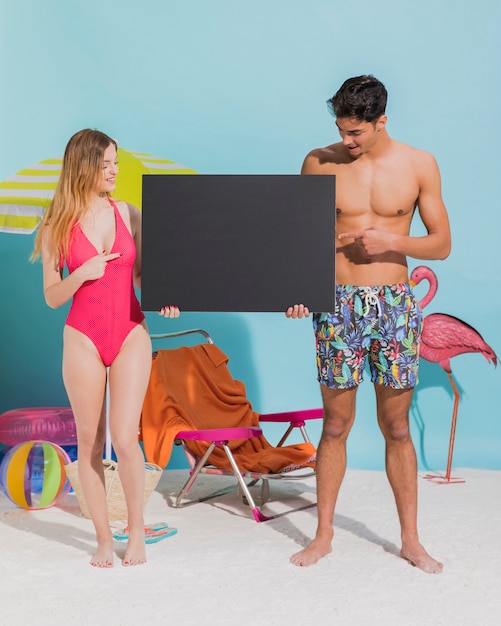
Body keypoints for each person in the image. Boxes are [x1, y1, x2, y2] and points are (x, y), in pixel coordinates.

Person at [286, 75, 451, 573]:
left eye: (357, 132)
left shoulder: (419, 164)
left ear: (382, 121)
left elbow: (440, 243)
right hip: (336, 304)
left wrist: (392, 243)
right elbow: (294, 242)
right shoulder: (318, 163)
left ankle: (411, 541)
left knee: (396, 426)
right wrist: (296, 292)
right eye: (342, 130)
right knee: (335, 424)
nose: (347, 141)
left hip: (395, 307)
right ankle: (323, 535)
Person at [32, 129, 179, 568]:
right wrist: (84, 272)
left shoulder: (129, 214)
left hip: (131, 330)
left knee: (125, 439)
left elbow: (141, 280)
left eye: (116, 162)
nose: (115, 171)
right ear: (84, 166)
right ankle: (101, 539)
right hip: (82, 337)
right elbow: (52, 297)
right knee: (91, 443)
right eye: (107, 164)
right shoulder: (55, 223)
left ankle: (136, 532)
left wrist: (164, 297)